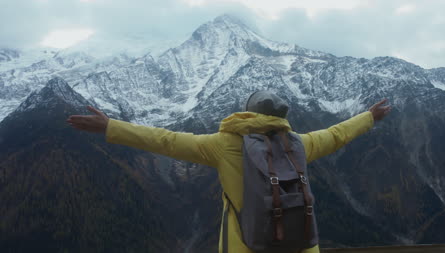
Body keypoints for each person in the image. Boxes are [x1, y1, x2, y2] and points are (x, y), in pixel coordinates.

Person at [67, 91, 391, 253]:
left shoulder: (223, 144)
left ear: (247, 113)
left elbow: (164, 141)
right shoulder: (299, 143)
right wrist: (369, 117)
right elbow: (336, 134)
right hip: (301, 245)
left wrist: (111, 127)